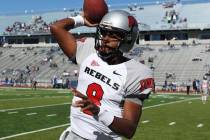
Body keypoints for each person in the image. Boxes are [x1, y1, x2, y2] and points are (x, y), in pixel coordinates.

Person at [50, 10, 154, 140]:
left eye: (114, 35)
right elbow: (56, 27)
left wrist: (99, 112)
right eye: (104, 32)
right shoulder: (88, 50)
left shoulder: (137, 73)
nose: (105, 39)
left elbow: (129, 130)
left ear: (127, 38)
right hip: (74, 135)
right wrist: (82, 20)